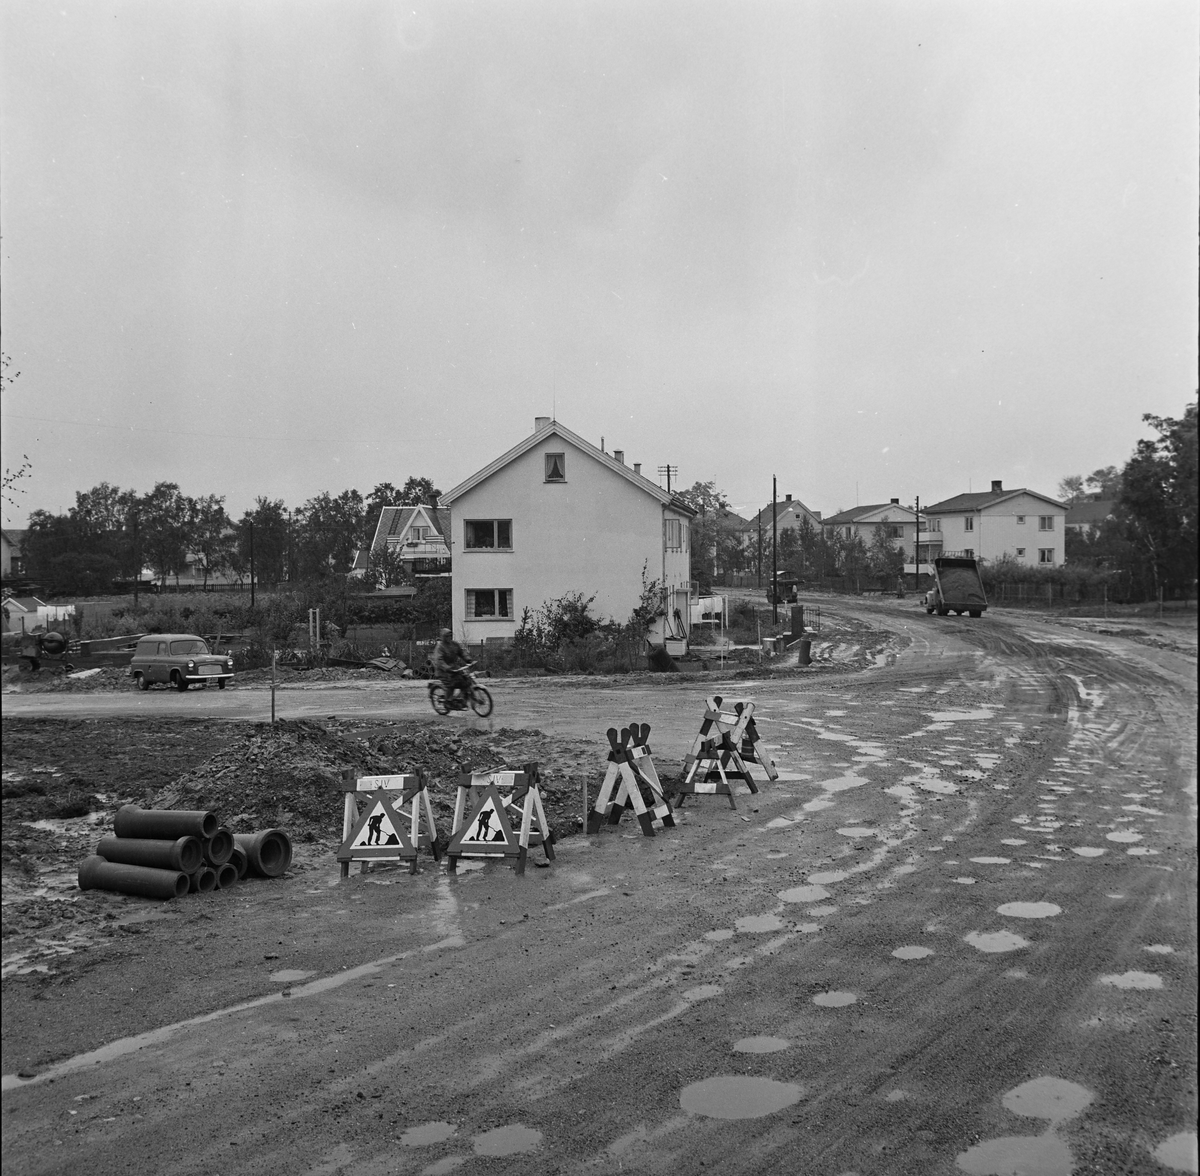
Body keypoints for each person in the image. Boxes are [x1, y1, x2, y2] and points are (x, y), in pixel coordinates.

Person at [432, 628, 471, 701]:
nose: (449, 637)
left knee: (465, 681)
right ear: (443, 637)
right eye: (447, 636)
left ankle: (461, 698)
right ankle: (448, 701)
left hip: (454, 668)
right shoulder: (440, 647)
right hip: (443, 671)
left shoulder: (454, 644)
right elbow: (439, 660)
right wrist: (447, 668)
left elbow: (461, 652)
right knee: (451, 684)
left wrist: (467, 659)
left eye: (450, 636)